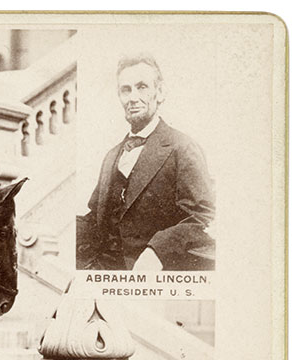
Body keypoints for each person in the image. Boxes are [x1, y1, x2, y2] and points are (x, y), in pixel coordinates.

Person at [76, 54, 215, 271]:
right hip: (104, 271)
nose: (133, 97)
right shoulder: (111, 156)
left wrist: (156, 251)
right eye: (126, 90)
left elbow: (200, 216)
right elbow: (95, 218)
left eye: (142, 87)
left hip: (153, 273)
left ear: (160, 93)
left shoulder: (182, 147)